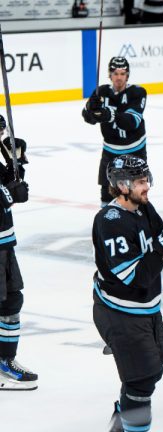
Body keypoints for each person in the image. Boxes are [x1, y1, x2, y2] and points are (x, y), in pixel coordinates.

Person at [92, 155, 163, 431]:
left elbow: (159, 251)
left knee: (151, 372)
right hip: (120, 312)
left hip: (145, 308)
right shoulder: (110, 221)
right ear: (123, 185)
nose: (147, 186)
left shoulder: (143, 208)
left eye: (146, 179)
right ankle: (129, 423)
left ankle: (123, 416)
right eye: (140, 182)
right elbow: (135, 277)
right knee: (142, 379)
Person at [82, 57, 148, 207]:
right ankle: (106, 223)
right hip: (110, 151)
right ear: (110, 75)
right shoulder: (101, 91)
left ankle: (138, 223)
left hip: (135, 151)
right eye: (115, 73)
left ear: (127, 75)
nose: (119, 77)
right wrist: (89, 109)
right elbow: (89, 119)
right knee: (107, 192)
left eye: (122, 73)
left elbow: (132, 122)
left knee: (137, 191)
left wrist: (108, 114)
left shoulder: (138, 92)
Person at [0, 115, 35, 391]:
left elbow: (12, 186)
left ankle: (4, 361)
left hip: (4, 243)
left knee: (11, 301)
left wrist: (16, 164)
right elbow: (8, 194)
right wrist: (9, 194)